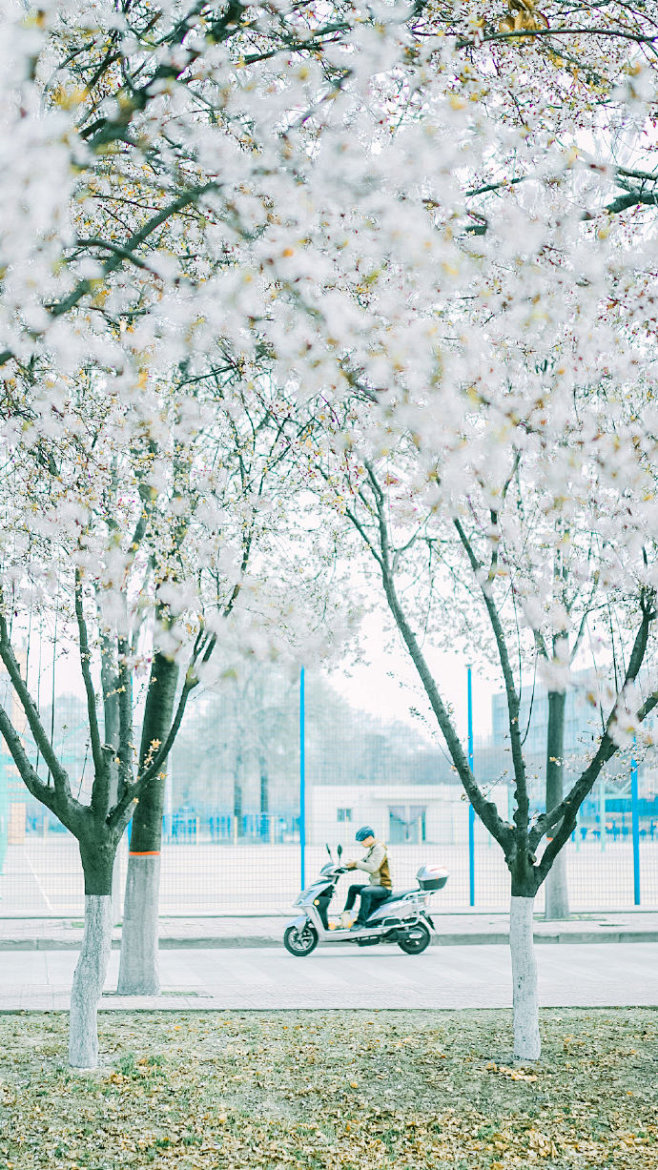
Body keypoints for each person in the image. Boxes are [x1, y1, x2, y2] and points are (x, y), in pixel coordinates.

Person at [342, 826, 392, 929]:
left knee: (366, 892)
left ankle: (361, 922)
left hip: (384, 887)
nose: (361, 843)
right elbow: (363, 861)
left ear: (369, 838)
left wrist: (356, 863)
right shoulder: (373, 848)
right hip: (375, 885)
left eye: (362, 841)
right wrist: (346, 868)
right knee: (353, 888)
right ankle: (345, 916)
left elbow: (372, 868)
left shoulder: (379, 848)